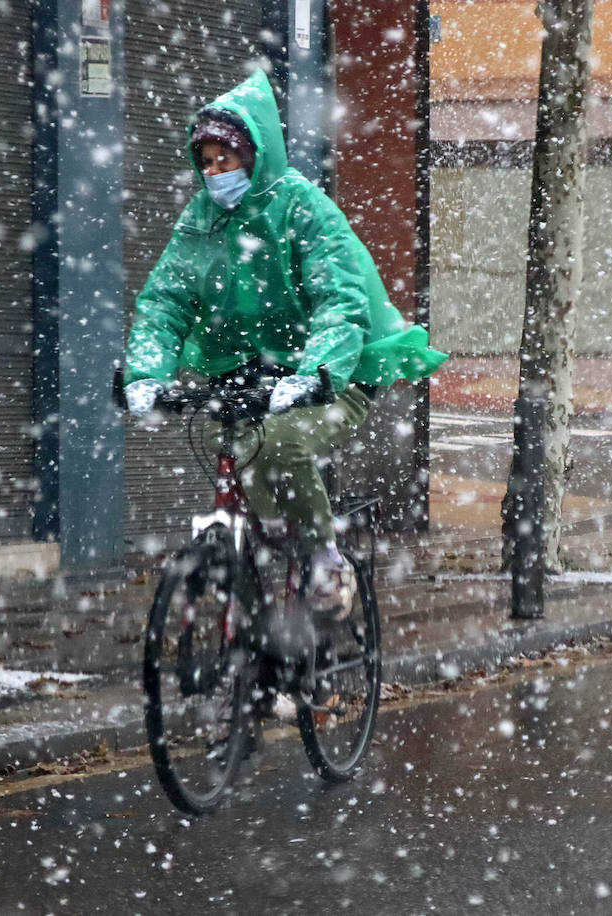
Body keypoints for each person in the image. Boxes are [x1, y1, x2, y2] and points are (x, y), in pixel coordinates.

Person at [124, 69, 446, 615]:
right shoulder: (200, 218)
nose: (213, 172)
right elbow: (165, 301)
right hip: (248, 376)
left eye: (224, 158)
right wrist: (145, 373)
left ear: (254, 153)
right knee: (242, 460)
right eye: (204, 161)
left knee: (280, 444)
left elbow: (340, 299)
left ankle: (325, 558)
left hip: (334, 374)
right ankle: (259, 630)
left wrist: (314, 370)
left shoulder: (302, 207)